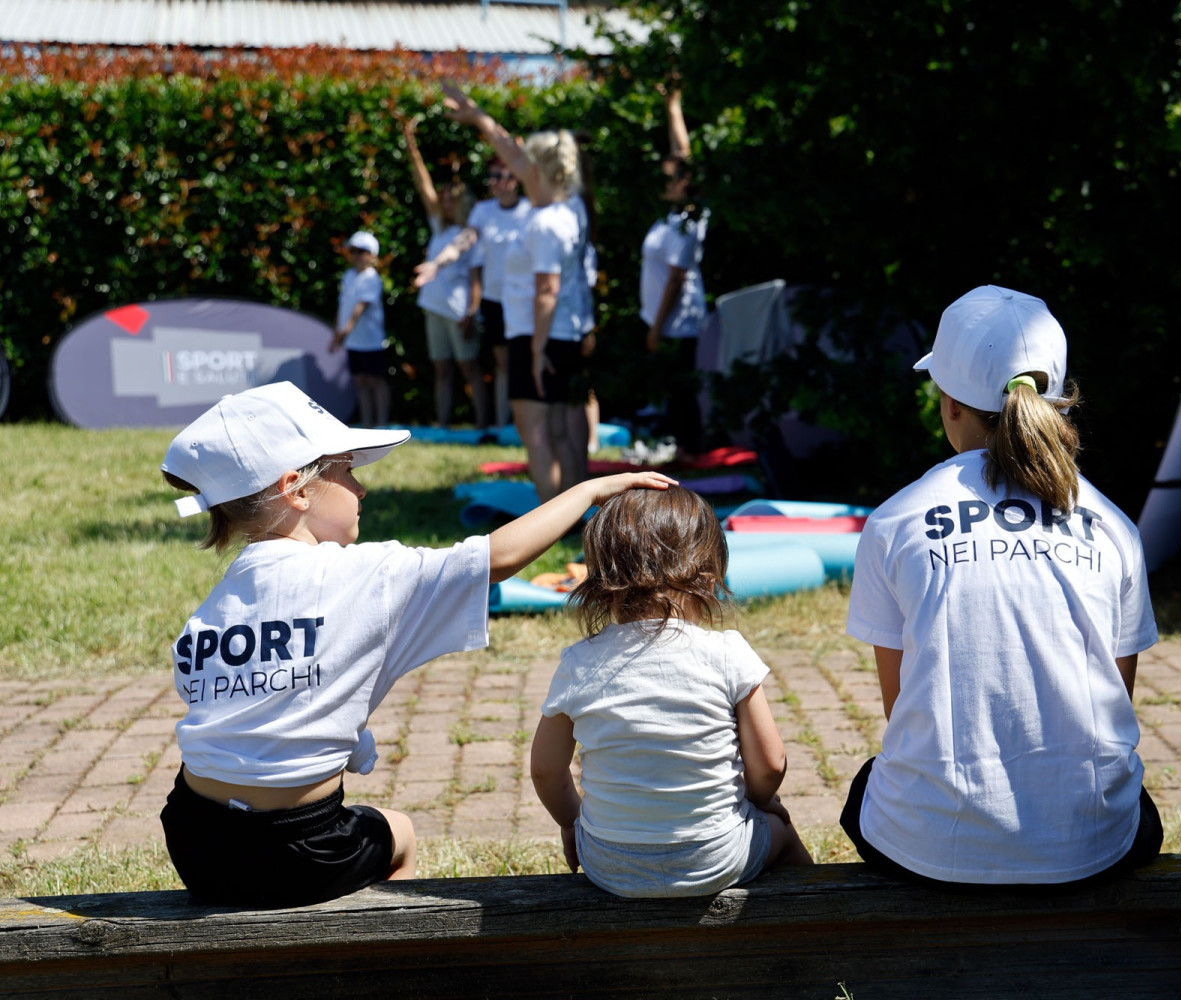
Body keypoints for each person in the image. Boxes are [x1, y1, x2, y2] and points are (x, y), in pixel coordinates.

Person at [158, 381, 673, 908]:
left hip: (193, 840)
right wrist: (586, 492)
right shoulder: (368, 574)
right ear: (298, 490)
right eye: (348, 472)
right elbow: (496, 558)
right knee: (399, 833)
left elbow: (256, 709)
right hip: (302, 850)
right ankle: (392, 947)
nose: (362, 489)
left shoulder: (212, 610)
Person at [841, 286, 1163, 889]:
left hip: (932, 849)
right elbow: (1114, 698)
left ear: (949, 404)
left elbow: (901, 706)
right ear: (1056, 403)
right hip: (1091, 845)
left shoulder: (894, 521)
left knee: (868, 788)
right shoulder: (1112, 525)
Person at [530, 486, 814, 897]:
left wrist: (572, 823)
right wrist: (758, 801)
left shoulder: (580, 661)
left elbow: (545, 770)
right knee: (781, 832)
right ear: (710, 577)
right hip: (717, 856)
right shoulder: (727, 652)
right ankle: (817, 915)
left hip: (608, 863)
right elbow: (771, 763)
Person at [440, 84, 592, 503]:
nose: (515, 167)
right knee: (560, 429)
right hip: (565, 332)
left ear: (537, 172)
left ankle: (553, 520)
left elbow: (547, 290)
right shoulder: (572, 205)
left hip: (537, 336)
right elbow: (513, 153)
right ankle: (577, 516)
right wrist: (479, 118)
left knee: (536, 432)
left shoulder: (544, 223)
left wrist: (537, 350)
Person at [416, 154, 531, 430]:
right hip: (495, 301)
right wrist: (437, 263)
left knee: (526, 361)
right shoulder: (483, 210)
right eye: (491, 177)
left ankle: (527, 424)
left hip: (526, 300)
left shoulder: (531, 209)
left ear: (515, 179)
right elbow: (464, 240)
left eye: (499, 176)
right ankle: (503, 427)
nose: (493, 182)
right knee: (502, 364)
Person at [402, 117, 485, 429]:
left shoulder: (470, 233)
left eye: (453, 200)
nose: (446, 204)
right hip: (434, 307)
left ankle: (483, 424)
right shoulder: (439, 227)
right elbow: (423, 186)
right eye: (445, 199)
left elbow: (476, 277)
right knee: (442, 370)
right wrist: (411, 147)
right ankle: (444, 424)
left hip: (459, 311)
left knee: (469, 368)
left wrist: (472, 312)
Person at [639, 86, 710, 454]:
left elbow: (676, 278)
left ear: (684, 183)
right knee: (672, 386)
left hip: (676, 322)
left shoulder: (689, 221)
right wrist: (672, 107)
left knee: (680, 388)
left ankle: (688, 449)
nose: (663, 181)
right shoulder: (672, 215)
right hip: (663, 320)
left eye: (670, 177)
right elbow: (680, 154)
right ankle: (682, 446)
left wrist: (656, 326)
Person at [330, 231, 390, 427]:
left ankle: (381, 424)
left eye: (361, 251)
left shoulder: (371, 278)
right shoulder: (348, 276)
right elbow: (343, 306)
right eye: (353, 251)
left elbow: (359, 309)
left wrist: (344, 332)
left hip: (371, 341)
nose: (356, 255)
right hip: (354, 342)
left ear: (372, 255)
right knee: (360, 382)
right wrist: (337, 333)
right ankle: (367, 424)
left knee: (376, 381)